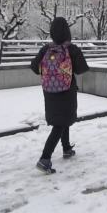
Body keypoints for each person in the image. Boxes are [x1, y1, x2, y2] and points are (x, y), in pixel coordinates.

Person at [30, 17, 89, 174]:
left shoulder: (45, 49)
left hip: (49, 91)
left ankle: (66, 148)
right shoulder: (71, 49)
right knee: (61, 123)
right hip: (66, 91)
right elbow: (82, 69)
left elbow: (34, 68)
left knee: (62, 120)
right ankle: (45, 158)